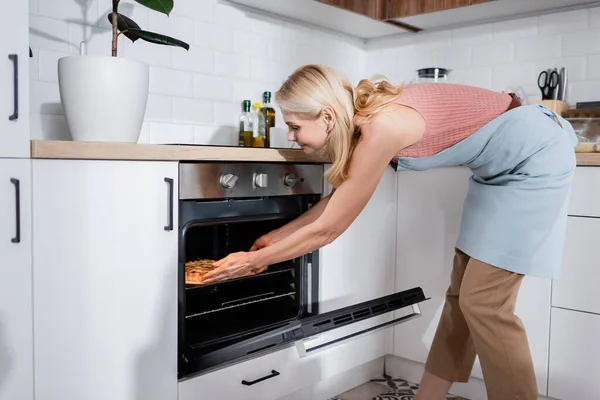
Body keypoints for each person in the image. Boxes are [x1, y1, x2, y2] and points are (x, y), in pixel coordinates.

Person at [201, 64, 577, 400]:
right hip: (496, 171)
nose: (292, 135)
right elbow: (335, 204)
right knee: (463, 297)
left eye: (296, 125)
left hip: (535, 159)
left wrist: (254, 261)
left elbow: (329, 229)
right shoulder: (368, 123)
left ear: (328, 116)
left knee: (485, 305)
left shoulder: (382, 126)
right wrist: (273, 240)